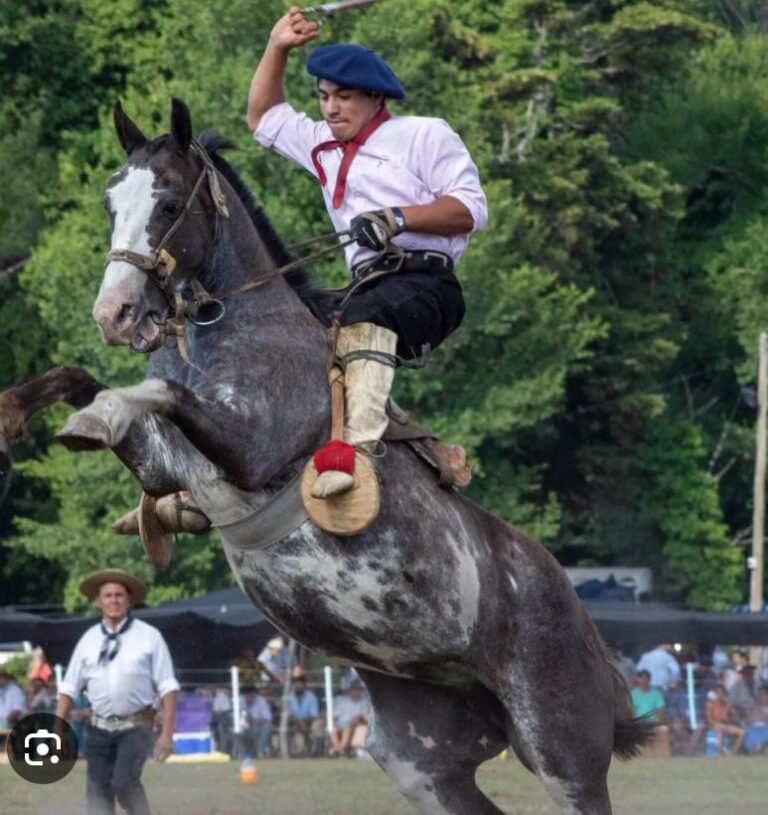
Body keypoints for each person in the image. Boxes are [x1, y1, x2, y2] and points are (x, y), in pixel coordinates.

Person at [246, 7, 487, 498]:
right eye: (324, 97)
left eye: (344, 97)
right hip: (366, 289)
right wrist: (276, 48)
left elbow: (469, 210)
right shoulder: (322, 145)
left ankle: (352, 457)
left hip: (427, 286)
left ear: (375, 97)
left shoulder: (423, 133)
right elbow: (262, 117)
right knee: (279, 332)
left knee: (358, 316)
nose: (331, 108)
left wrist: (397, 218)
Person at [55, 569, 179, 815]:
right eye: (108, 595)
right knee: (98, 793)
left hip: (137, 726)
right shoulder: (88, 640)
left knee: (124, 783)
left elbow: (168, 686)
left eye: (119, 595)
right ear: (99, 601)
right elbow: (69, 687)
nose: (114, 600)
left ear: (129, 600)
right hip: (98, 728)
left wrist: (167, 734)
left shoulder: (149, 636)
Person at [329, 681, 370, 757]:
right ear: (349, 690)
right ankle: (339, 749)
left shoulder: (365, 702)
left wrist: (358, 718)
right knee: (333, 730)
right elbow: (335, 715)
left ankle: (340, 750)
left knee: (348, 729)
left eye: (358, 689)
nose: (356, 691)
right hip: (341, 724)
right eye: (354, 689)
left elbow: (366, 716)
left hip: (357, 724)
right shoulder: (341, 700)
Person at [705, 684, 745, 756]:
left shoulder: (727, 704)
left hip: (725, 724)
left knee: (742, 732)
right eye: (718, 693)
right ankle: (719, 751)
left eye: (721, 693)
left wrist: (729, 706)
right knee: (721, 729)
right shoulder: (710, 704)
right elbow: (709, 719)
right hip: (714, 724)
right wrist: (717, 724)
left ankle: (733, 752)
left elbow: (734, 716)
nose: (720, 695)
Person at [286, 675, 319, 756]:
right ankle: (298, 752)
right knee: (294, 727)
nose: (298, 686)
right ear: (293, 685)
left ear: (304, 685)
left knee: (317, 725)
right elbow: (287, 714)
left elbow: (314, 714)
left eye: (300, 684)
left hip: (309, 722)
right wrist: (298, 722)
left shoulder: (311, 696)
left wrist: (304, 722)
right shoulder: (288, 697)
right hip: (293, 722)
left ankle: (315, 751)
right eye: (296, 684)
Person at [245, 686, 274, 758]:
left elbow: (268, 718)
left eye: (251, 694)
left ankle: (260, 752)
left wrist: (255, 721)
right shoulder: (239, 701)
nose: (249, 696)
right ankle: (241, 753)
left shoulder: (261, 701)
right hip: (244, 726)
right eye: (247, 694)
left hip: (259, 725)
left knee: (267, 727)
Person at [744, 685, 768, 755]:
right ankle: (756, 748)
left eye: (762, 694)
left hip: (765, 728)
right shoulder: (752, 706)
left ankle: (760, 747)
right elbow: (748, 719)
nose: (759, 696)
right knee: (750, 735)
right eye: (758, 694)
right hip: (752, 728)